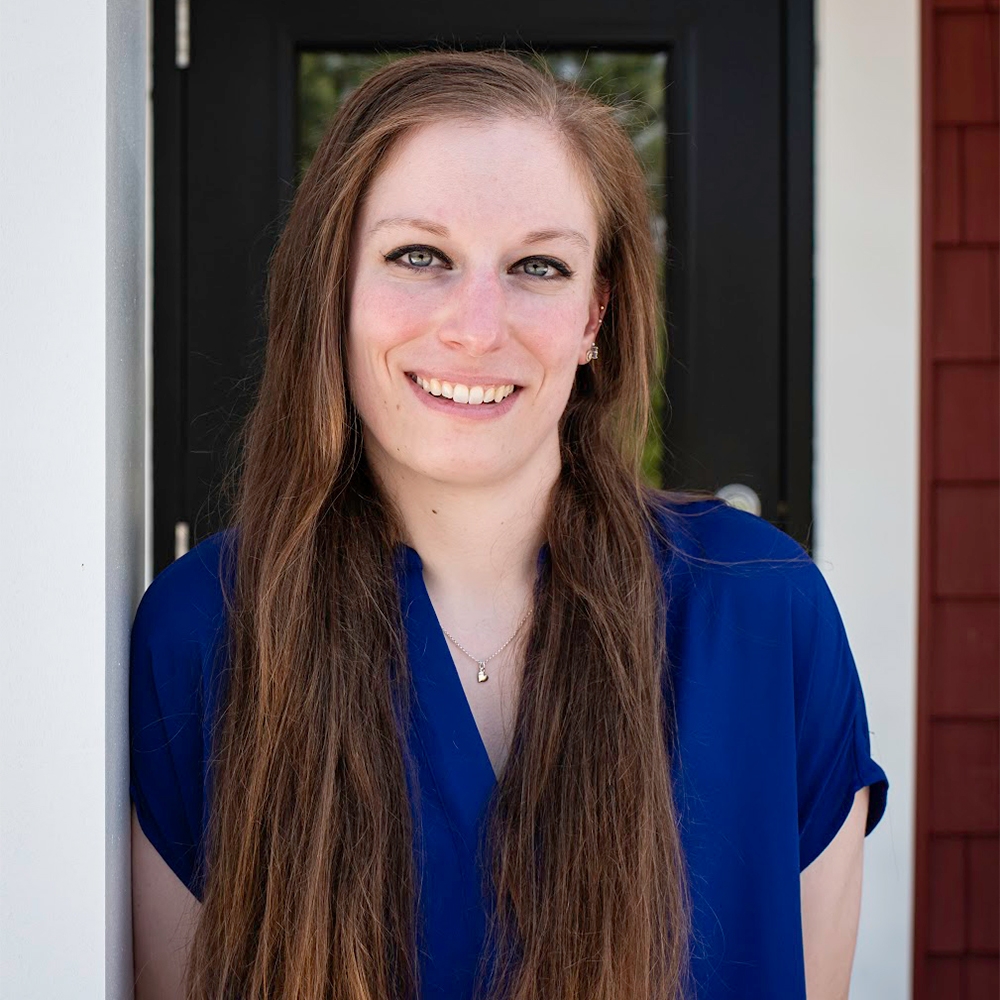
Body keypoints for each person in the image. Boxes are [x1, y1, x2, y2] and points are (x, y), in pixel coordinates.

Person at [130, 49, 889, 1000]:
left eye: (538, 266)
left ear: (593, 317)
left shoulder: (768, 616)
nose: (477, 325)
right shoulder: (204, 634)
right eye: (419, 256)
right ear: (333, 287)